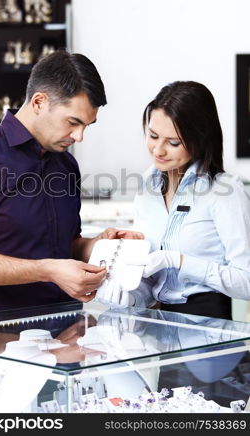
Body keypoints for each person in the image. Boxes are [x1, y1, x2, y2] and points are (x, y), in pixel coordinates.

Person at [0, 50, 142, 315]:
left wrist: (100, 245)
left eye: (87, 126)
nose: (79, 136)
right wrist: (47, 270)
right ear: (38, 102)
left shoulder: (66, 165)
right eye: (73, 122)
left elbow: (66, 245)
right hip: (3, 338)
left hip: (69, 333)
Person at [97, 81, 250, 319]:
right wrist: (131, 295)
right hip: (161, 326)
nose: (158, 150)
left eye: (173, 142)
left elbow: (246, 281)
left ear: (200, 139)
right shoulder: (148, 185)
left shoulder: (225, 191)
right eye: (153, 136)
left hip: (210, 329)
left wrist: (179, 262)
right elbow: (152, 279)